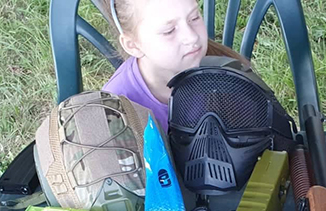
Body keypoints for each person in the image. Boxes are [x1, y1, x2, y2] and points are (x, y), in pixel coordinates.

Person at [100, 0, 240, 134]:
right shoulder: (116, 110)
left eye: (194, 18)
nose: (192, 37)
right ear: (133, 45)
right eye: (169, 31)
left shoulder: (228, 73)